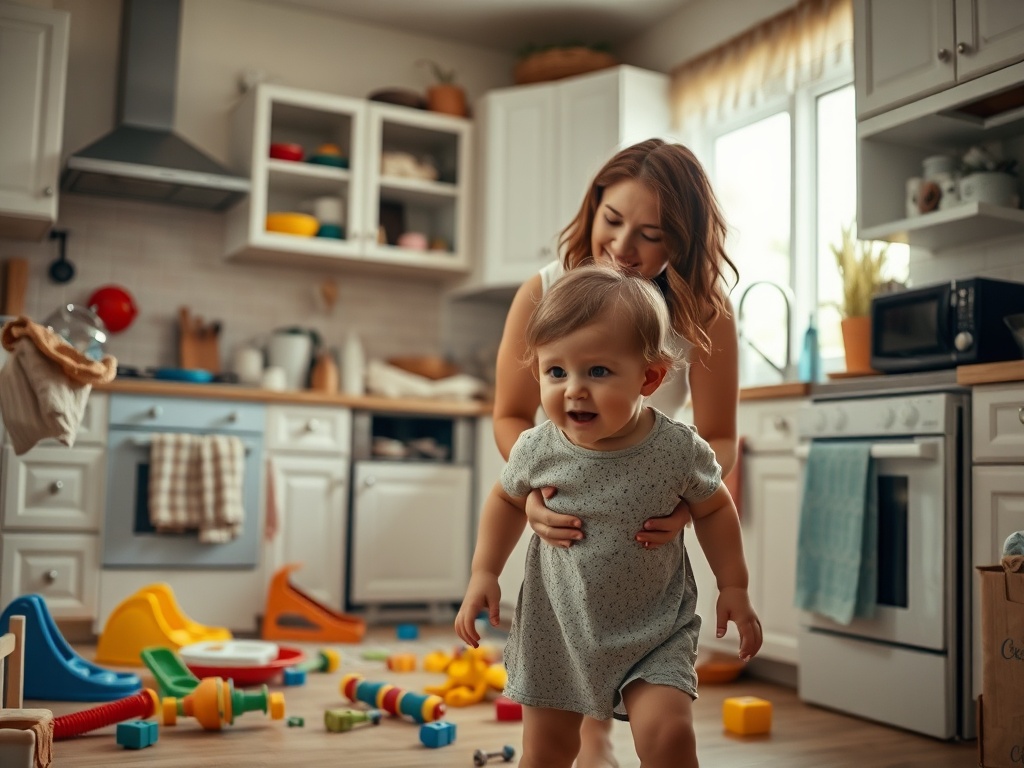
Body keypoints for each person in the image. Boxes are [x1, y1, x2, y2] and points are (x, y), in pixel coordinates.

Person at [491, 138, 740, 767]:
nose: (624, 247)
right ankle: (591, 726)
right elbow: (512, 416)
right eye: (612, 221)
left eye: (652, 234)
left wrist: (689, 507)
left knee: (661, 726)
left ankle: (606, 717)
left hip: (647, 524)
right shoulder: (544, 292)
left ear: (683, 241)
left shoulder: (706, 315)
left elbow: (718, 438)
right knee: (560, 728)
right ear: (593, 205)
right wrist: (536, 494)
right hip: (568, 525)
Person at [456, 266, 761, 768]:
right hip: (558, 630)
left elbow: (715, 507)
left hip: (656, 631)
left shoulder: (677, 449)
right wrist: (483, 573)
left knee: (668, 737)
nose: (574, 389)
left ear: (651, 377)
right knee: (547, 753)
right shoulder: (538, 448)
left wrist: (734, 586)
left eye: (597, 371)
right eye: (556, 372)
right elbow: (506, 499)